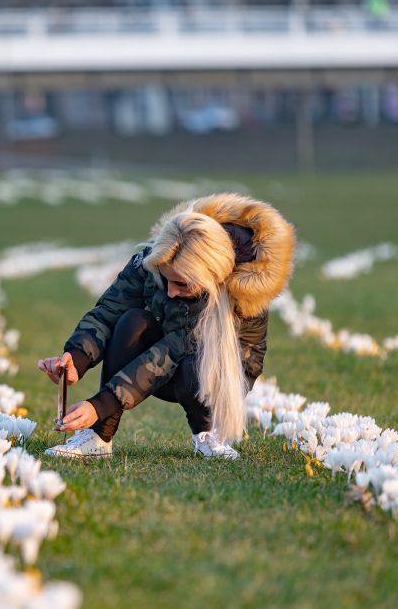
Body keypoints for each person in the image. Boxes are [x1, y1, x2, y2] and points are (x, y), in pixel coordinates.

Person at [38, 193, 295, 460]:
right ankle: (97, 439)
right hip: (164, 363)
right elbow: (109, 311)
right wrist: (75, 359)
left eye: (182, 283)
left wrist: (100, 404)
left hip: (218, 373)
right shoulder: (159, 257)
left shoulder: (242, 290)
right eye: (165, 278)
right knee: (132, 321)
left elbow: (175, 348)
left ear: (212, 276)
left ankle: (207, 433)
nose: (170, 292)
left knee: (195, 364)